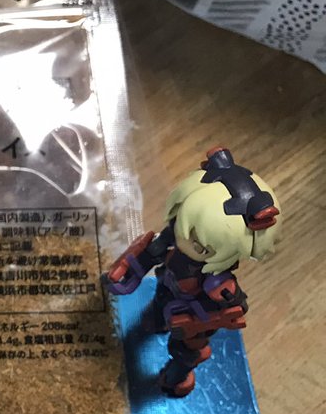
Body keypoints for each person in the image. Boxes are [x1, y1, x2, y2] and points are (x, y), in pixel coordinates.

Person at [105, 147, 280, 396]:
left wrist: (196, 321)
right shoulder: (175, 237)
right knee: (156, 312)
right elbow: (152, 253)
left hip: (189, 316)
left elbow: (235, 310)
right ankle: (157, 322)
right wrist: (128, 273)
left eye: (198, 243)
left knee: (184, 353)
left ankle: (178, 378)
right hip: (167, 292)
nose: (182, 237)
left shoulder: (219, 285)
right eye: (179, 221)